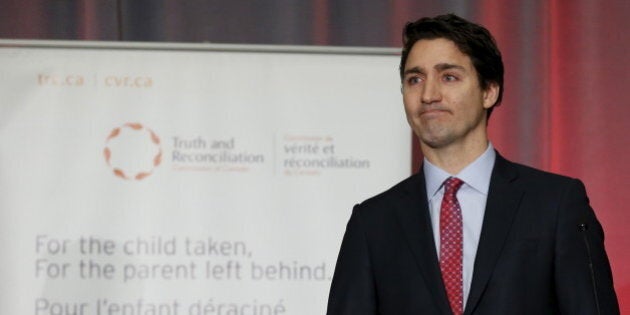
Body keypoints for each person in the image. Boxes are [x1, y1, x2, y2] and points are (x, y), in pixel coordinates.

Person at [326, 13, 619, 315]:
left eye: (448, 77)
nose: (428, 94)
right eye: (415, 79)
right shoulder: (373, 222)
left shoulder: (555, 204)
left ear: (489, 91)